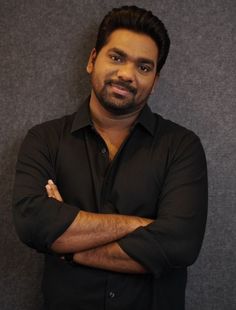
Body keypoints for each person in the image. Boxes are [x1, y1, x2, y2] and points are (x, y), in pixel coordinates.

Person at [13, 5, 208, 310]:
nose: (127, 74)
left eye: (144, 67)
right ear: (92, 60)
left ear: (155, 80)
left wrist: (69, 247)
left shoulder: (182, 146)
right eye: (116, 57)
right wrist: (138, 225)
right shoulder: (44, 139)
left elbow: (179, 245)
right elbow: (33, 224)